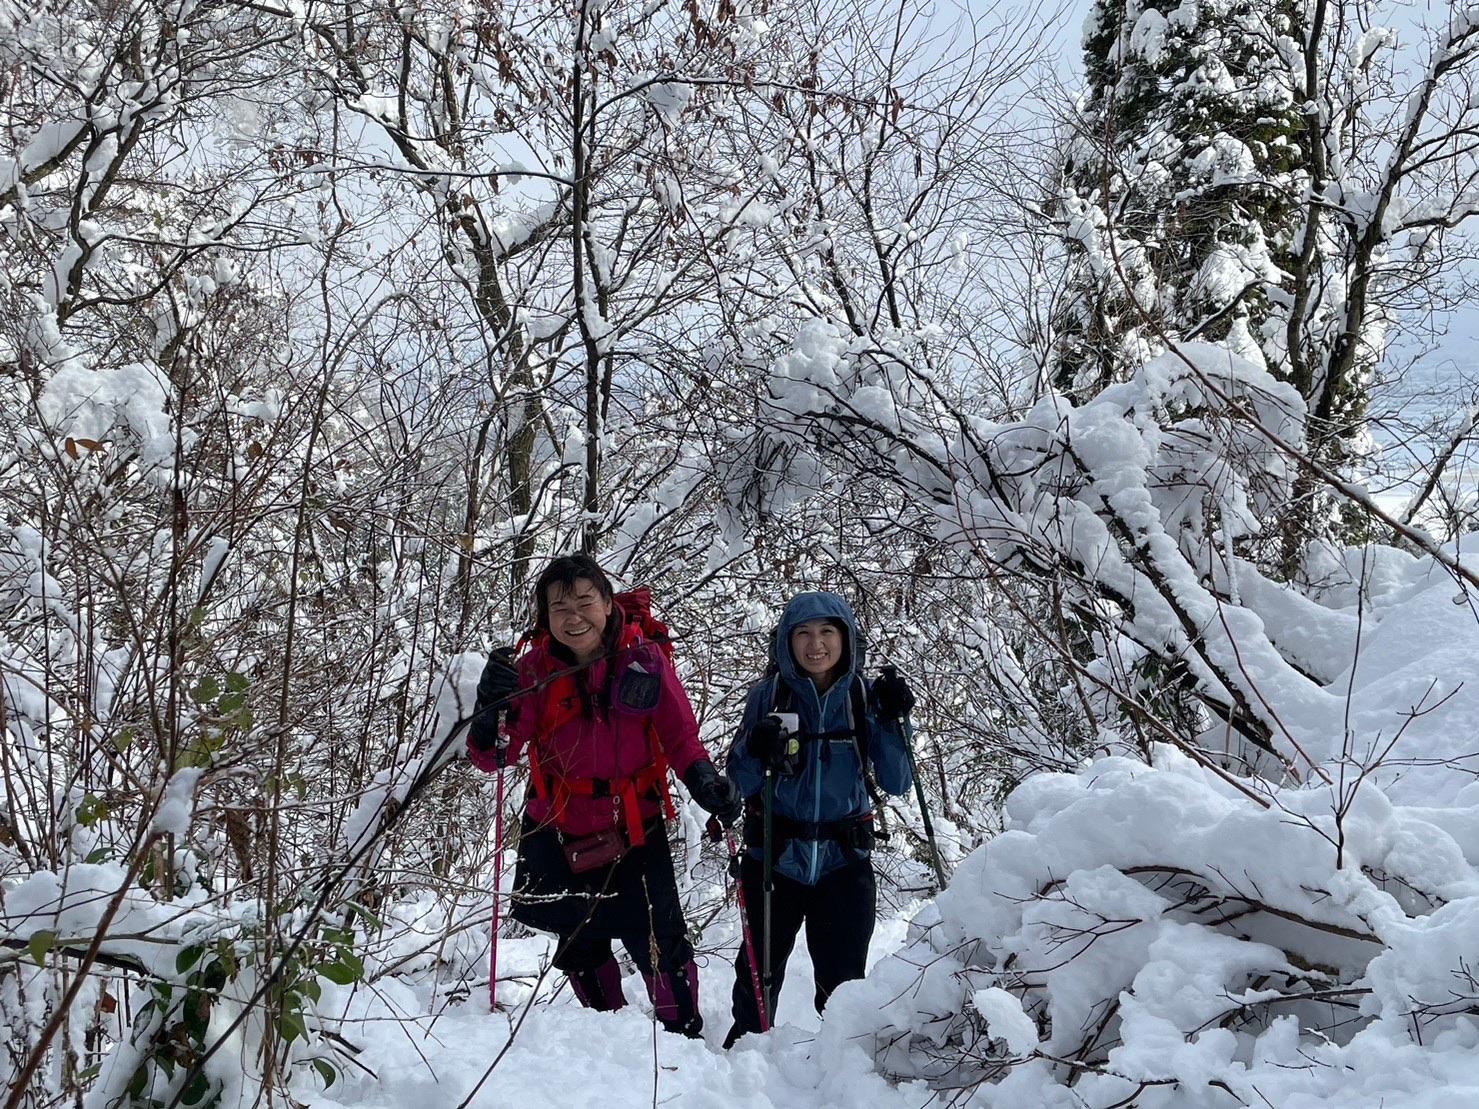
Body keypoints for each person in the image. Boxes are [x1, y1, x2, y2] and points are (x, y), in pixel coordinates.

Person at [465, 554, 741, 1037]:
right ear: (544, 616)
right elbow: (496, 757)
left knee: (660, 940)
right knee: (579, 939)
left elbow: (680, 738)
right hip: (557, 824)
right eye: (559, 607)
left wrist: (704, 782)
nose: (574, 618)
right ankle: (605, 1034)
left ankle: (682, 1033)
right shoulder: (531, 672)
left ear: (609, 604)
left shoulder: (645, 662)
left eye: (585, 602)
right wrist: (489, 711)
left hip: (634, 822)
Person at [722, 591, 915, 1049]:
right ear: (785, 642)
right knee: (757, 972)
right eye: (803, 634)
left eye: (827, 632)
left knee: (844, 980)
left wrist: (892, 722)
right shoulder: (766, 697)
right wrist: (755, 748)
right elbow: (737, 784)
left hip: (842, 862)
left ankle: (842, 1061)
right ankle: (744, 1061)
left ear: (846, 639)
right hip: (774, 856)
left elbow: (897, 781)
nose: (816, 645)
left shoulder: (866, 698)